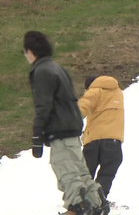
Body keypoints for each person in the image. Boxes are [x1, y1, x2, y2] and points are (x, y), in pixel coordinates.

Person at [24, 31, 109, 215]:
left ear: (30, 51)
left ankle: (77, 208)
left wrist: (37, 133)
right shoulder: (58, 68)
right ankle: (97, 205)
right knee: (81, 171)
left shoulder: (41, 71)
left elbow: (43, 105)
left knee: (66, 172)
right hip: (72, 128)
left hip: (60, 131)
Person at [78, 75, 124, 202]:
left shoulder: (94, 91)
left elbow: (80, 109)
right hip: (113, 140)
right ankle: (99, 199)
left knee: (86, 172)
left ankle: (80, 200)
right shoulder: (117, 92)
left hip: (93, 140)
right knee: (108, 171)